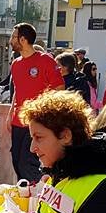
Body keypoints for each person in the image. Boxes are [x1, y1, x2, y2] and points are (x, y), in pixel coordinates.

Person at [7, 23, 64, 183]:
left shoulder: (45, 60)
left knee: (28, 164)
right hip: (18, 122)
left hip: (37, 122)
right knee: (17, 162)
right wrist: (10, 114)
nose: (11, 40)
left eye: (13, 37)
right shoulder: (16, 64)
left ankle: (42, 193)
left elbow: (59, 88)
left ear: (23, 40)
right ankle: (26, 196)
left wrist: (47, 116)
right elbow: (17, 90)